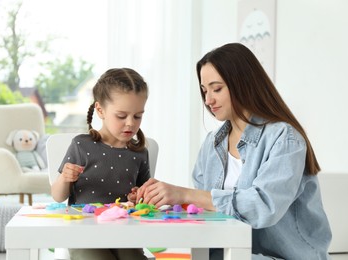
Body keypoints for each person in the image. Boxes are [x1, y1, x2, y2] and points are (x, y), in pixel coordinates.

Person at [137, 43, 332, 260]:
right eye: (204, 91)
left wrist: (184, 194)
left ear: (243, 83)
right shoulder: (212, 144)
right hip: (227, 255)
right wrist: (164, 201)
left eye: (217, 88)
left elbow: (264, 206)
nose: (208, 100)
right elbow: (204, 211)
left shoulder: (284, 138)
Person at [51, 68, 150, 260]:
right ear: (100, 110)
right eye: (121, 116)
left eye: (138, 116)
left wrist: (139, 196)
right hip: (84, 233)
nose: (130, 123)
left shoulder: (139, 153)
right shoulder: (81, 145)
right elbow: (57, 196)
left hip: (124, 232)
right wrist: (65, 178)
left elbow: (144, 199)